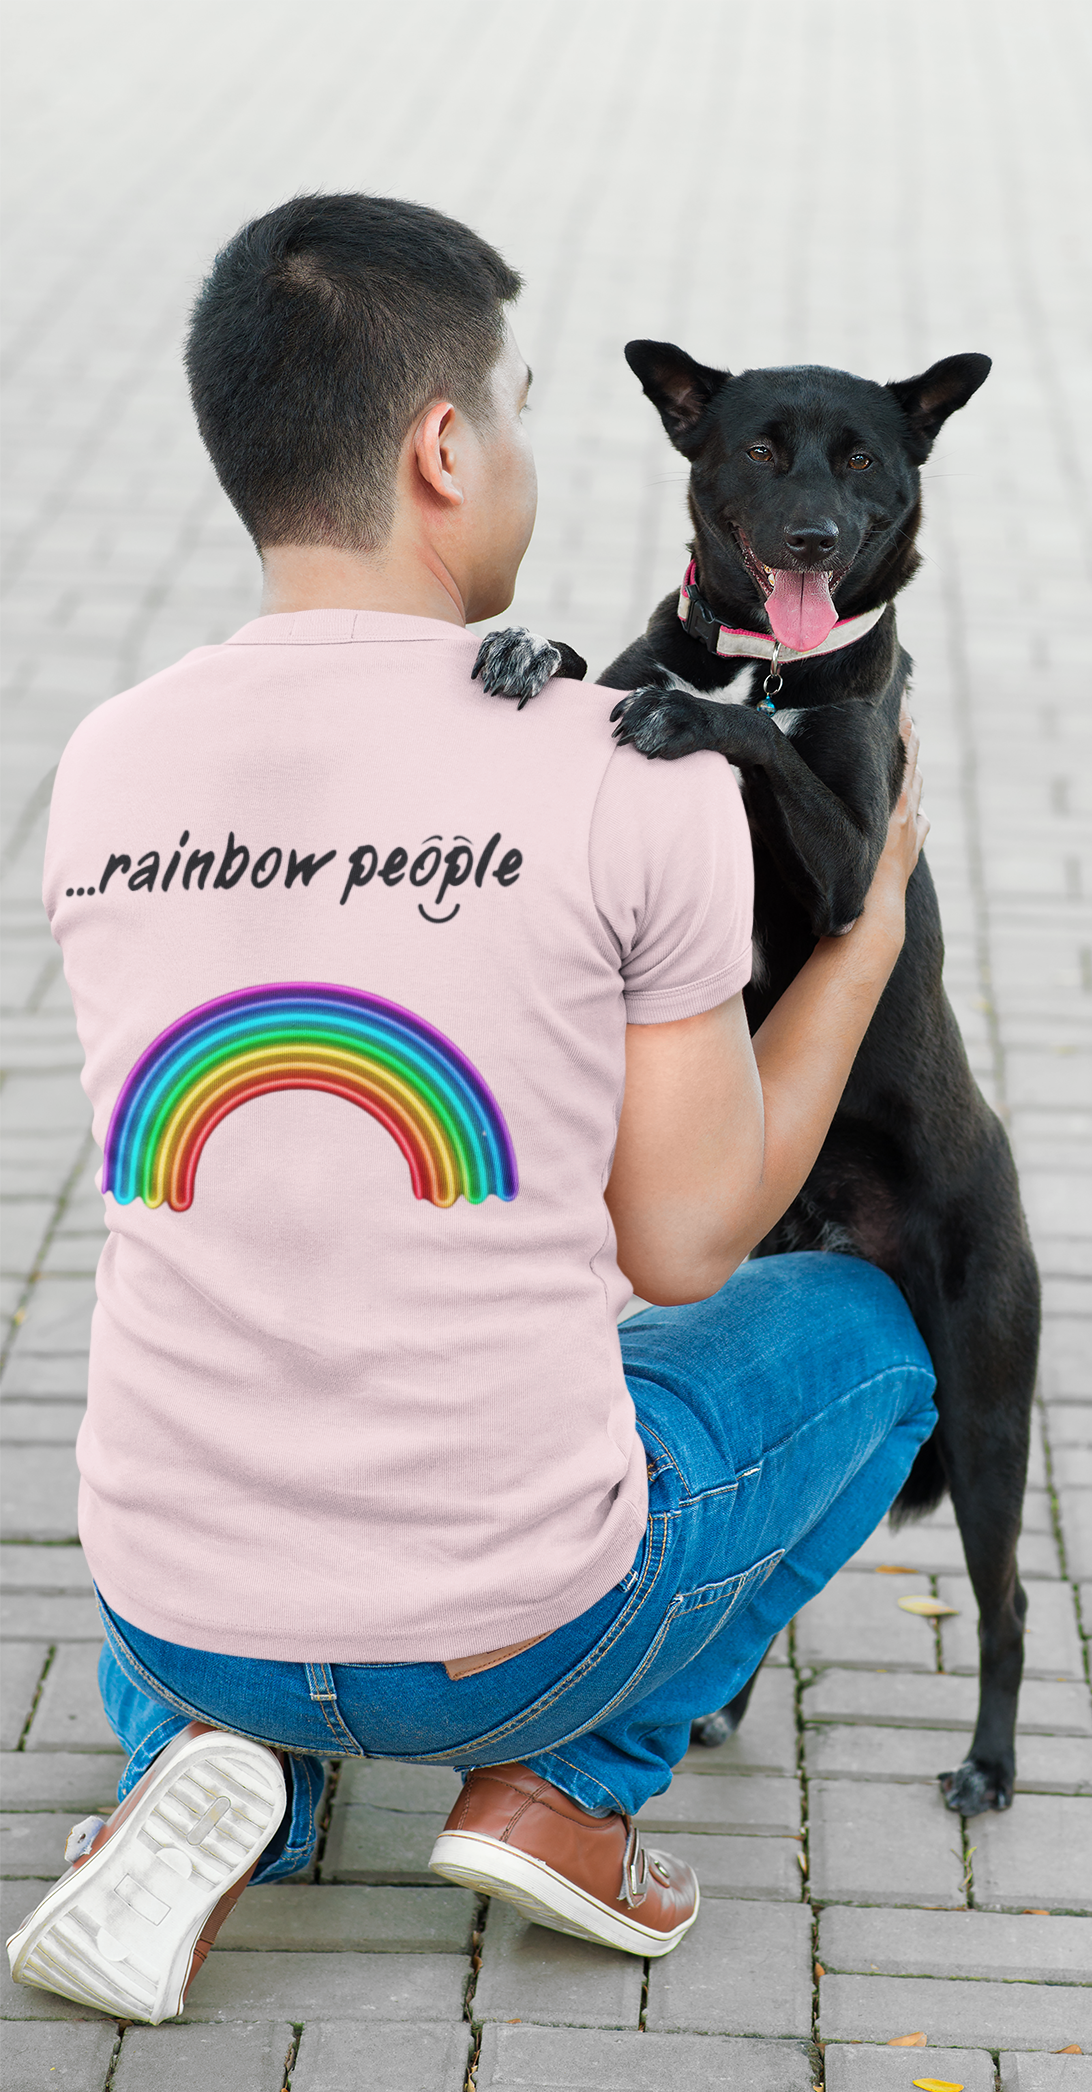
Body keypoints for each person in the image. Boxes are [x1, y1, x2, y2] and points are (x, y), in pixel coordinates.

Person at [7, 193, 936, 2026]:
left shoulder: (102, 759)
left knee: (238, 1299)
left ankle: (208, 1768)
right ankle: (569, 1795)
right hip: (510, 1641)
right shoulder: (620, 768)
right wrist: (863, 941)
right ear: (443, 452)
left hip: (174, 1595)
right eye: (509, 411)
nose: (520, 454)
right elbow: (680, 1246)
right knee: (865, 1333)